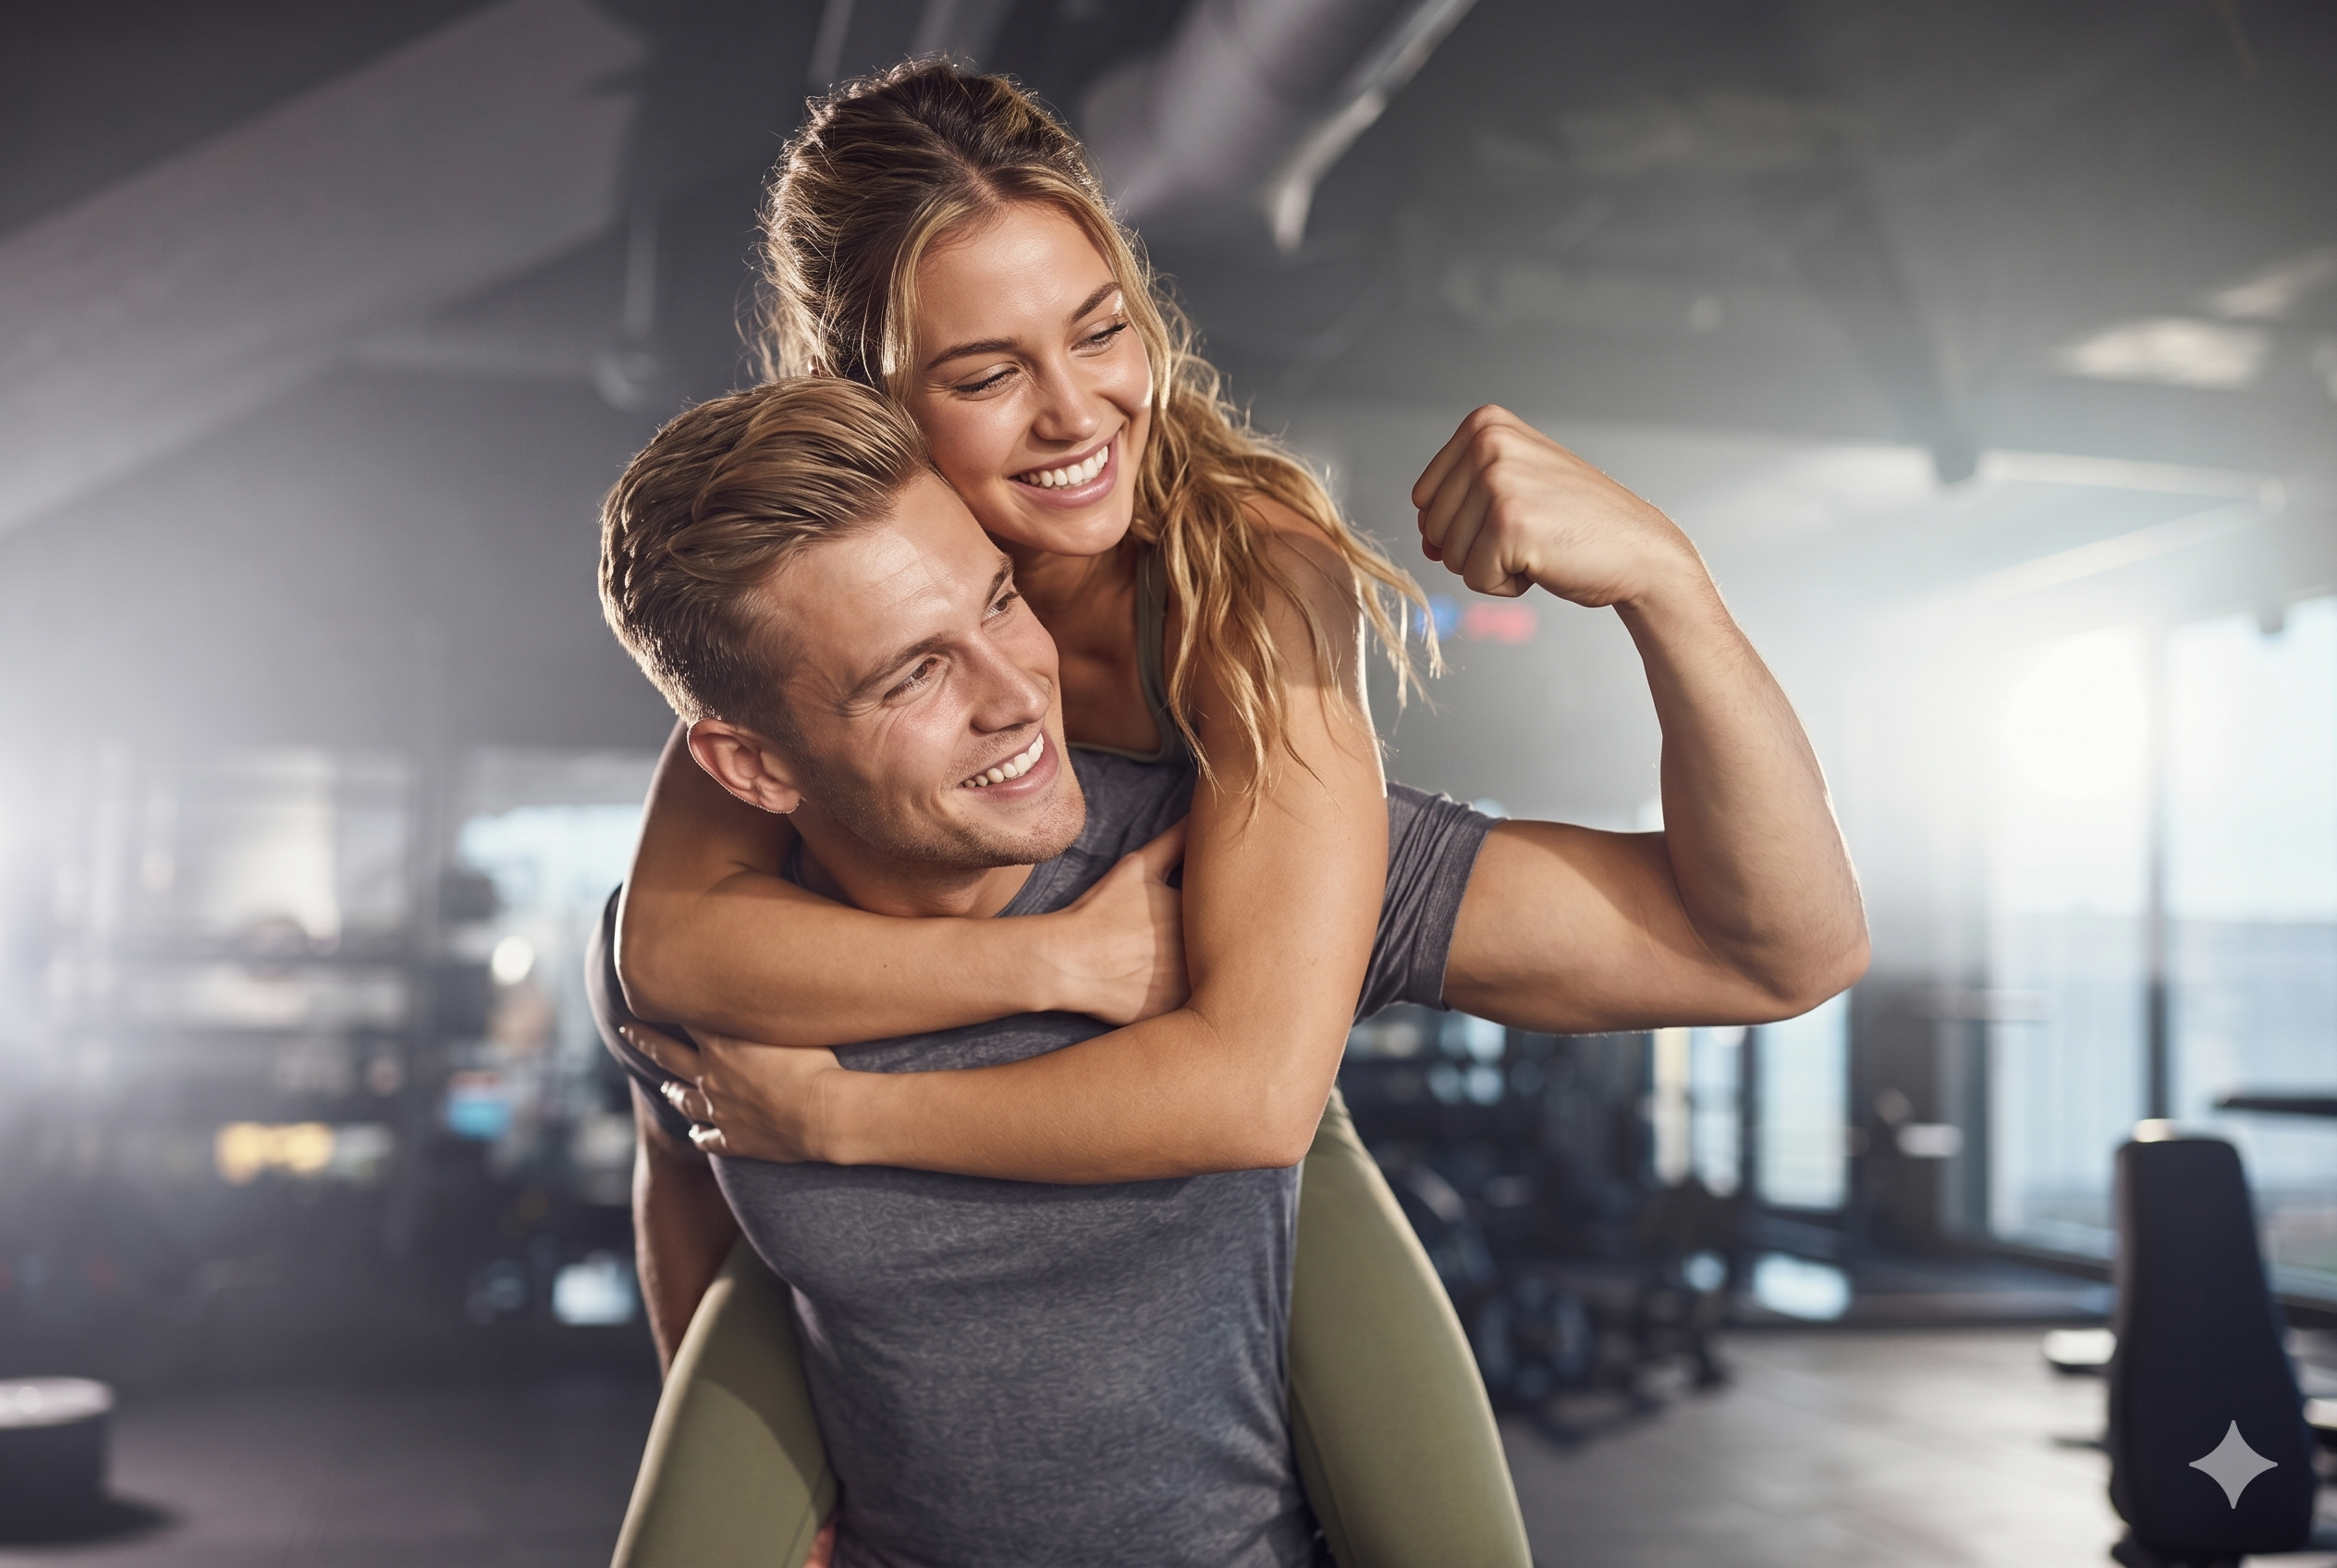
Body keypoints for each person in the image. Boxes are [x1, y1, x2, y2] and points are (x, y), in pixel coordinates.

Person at [607, 60, 1865, 1568]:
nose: (1080, 415)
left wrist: (1672, 586)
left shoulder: (1243, 597)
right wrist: (1050, 965)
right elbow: (667, 966)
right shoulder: (809, 667)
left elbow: (1772, 953)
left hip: (1241, 1144)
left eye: (1099, 331)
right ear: (865, 408)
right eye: (988, 372)